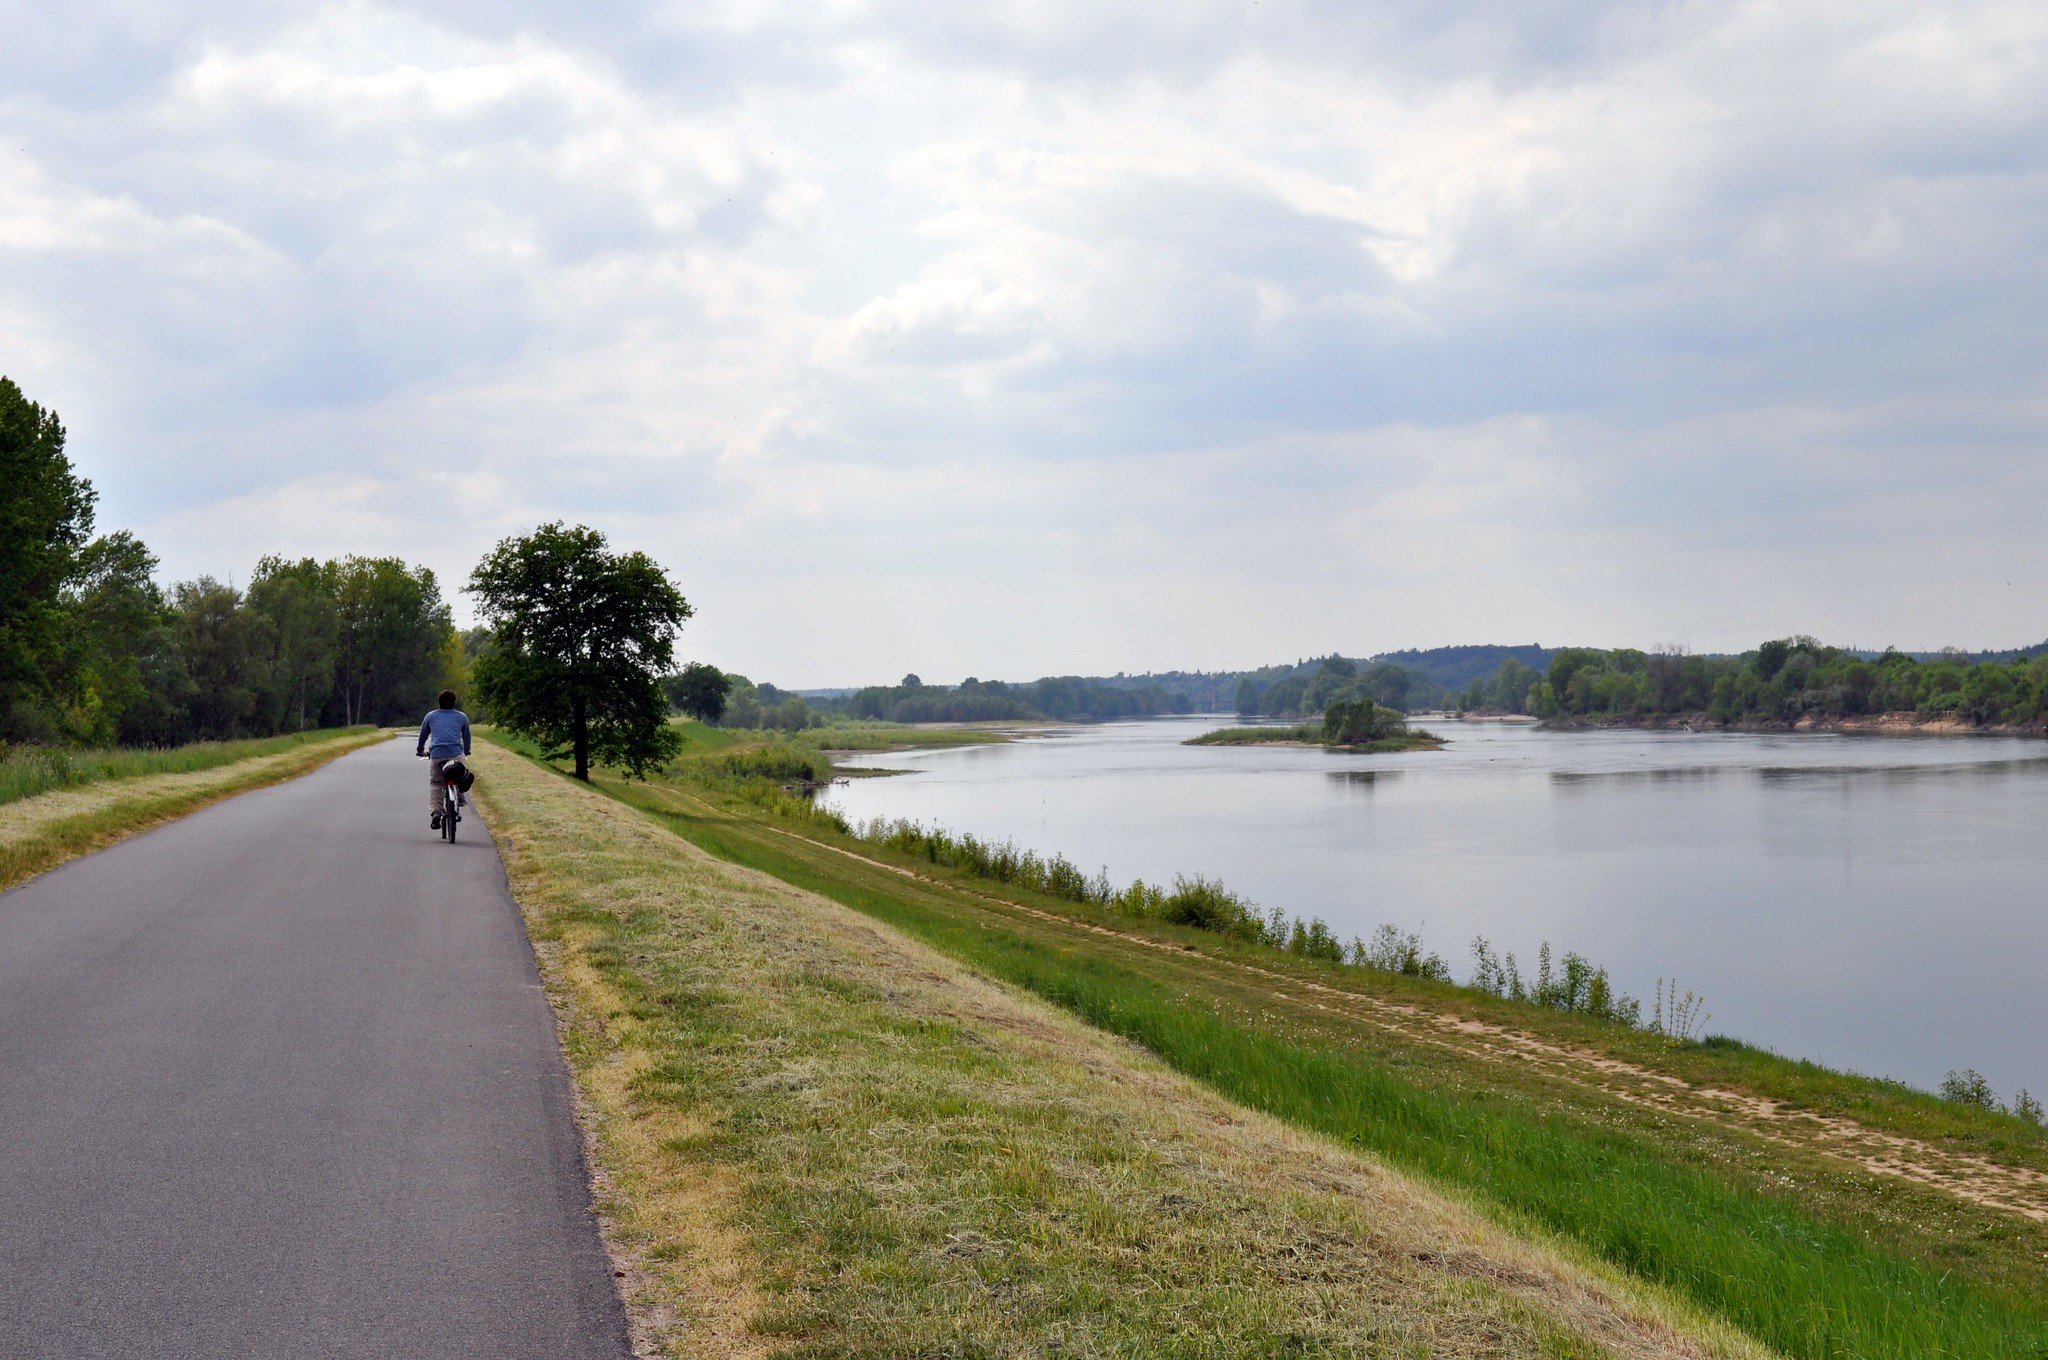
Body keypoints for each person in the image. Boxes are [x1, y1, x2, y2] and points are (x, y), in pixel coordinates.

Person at [417, 689, 473, 829]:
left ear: (439, 703)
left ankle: (436, 812)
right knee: (460, 775)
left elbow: (423, 735)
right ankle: (460, 799)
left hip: (437, 755)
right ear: (454, 703)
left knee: (436, 783)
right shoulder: (462, 717)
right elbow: (466, 736)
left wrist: (420, 751)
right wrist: (466, 750)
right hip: (456, 754)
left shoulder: (430, 716)